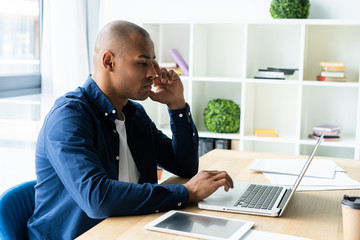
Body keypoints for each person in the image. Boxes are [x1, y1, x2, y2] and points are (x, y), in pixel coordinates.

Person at [27, 20, 233, 239]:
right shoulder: (68, 118)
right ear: (109, 61)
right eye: (142, 63)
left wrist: (177, 106)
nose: (154, 73)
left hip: (134, 228)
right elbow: (97, 198)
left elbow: (184, 166)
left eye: (154, 62)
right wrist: (187, 192)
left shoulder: (134, 114)